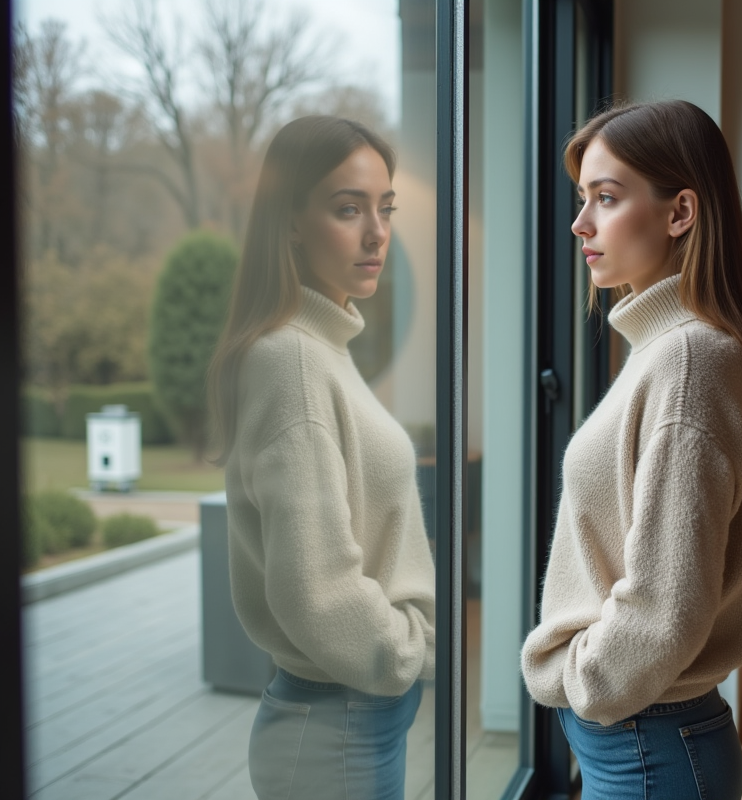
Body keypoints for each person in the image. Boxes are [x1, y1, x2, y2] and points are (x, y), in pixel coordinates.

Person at [520, 100, 742, 800]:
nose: (580, 224)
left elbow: (669, 603)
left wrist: (586, 680)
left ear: (680, 213)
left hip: (647, 743)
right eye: (583, 200)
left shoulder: (690, 362)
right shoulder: (666, 351)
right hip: (644, 740)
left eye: (606, 198)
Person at [207, 116, 435, 800]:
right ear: (291, 223)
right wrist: (400, 650)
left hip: (352, 716)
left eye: (384, 208)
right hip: (338, 724)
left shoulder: (319, 347)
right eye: (347, 209)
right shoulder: (292, 360)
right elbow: (313, 587)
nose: (376, 232)